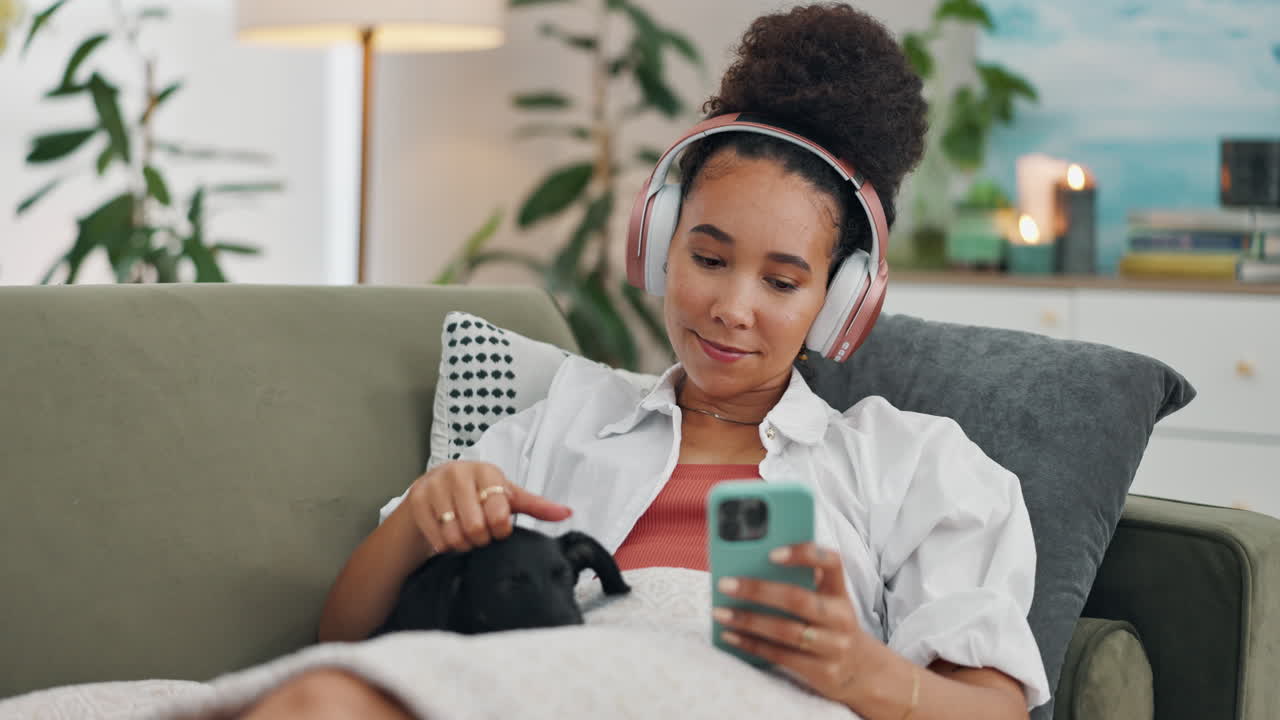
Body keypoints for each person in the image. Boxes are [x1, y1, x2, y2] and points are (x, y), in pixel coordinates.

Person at [243, 4, 1050, 719]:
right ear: (660, 248)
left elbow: (991, 709)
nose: (733, 307)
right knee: (314, 696)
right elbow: (343, 632)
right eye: (708, 259)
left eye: (780, 280)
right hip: (540, 691)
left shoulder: (909, 464)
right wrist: (427, 511)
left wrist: (858, 668)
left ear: (839, 305)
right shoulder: (562, 418)